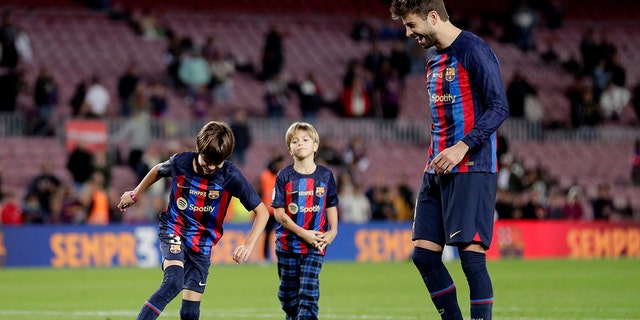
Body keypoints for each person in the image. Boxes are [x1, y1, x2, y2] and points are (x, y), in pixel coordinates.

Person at [389, 1, 510, 320]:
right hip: (436, 169)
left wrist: (462, 148)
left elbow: (499, 107)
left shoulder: (474, 50)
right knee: (424, 257)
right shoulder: (432, 59)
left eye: (411, 24)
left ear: (432, 17)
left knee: (471, 259)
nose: (407, 32)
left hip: (471, 166)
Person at [117, 121, 270, 320]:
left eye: (219, 163)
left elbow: (263, 212)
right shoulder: (180, 162)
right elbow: (157, 170)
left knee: (190, 312)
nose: (212, 167)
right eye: (208, 161)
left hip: (202, 244)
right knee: (173, 282)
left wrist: (248, 246)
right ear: (198, 148)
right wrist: (135, 194)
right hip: (175, 229)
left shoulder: (231, 176)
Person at [271, 122, 339, 320]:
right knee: (287, 296)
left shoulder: (326, 176)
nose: (300, 143)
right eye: (295, 141)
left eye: (305, 139)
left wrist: (333, 231)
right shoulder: (284, 176)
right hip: (287, 244)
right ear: (289, 148)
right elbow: (280, 214)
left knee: (308, 294)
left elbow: (331, 204)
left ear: (315, 145)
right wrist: (303, 233)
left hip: (315, 244)